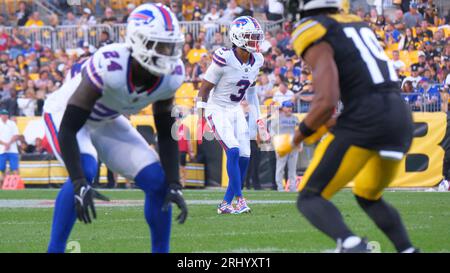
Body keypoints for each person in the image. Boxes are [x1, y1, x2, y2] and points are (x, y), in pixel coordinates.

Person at [42, 3, 188, 253]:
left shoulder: (171, 77)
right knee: (86, 169)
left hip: (105, 119)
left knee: (158, 182)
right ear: (137, 40)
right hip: (63, 114)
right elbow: (68, 127)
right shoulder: (111, 64)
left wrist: (174, 182)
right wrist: (78, 182)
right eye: (159, 45)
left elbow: (166, 132)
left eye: (170, 45)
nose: (167, 52)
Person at [276, 0, 418, 253]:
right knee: (367, 194)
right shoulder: (354, 21)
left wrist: (295, 139)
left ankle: (352, 246)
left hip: (366, 116)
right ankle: (407, 250)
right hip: (399, 115)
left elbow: (326, 101)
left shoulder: (314, 29)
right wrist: (329, 123)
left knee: (310, 196)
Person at [196, 16, 267, 214]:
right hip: (217, 108)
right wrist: (200, 119)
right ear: (239, 37)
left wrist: (259, 119)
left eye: (256, 36)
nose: (256, 40)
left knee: (245, 155)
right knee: (233, 151)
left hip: (235, 109)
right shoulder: (224, 57)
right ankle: (240, 199)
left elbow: (251, 93)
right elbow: (203, 90)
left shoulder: (257, 60)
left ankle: (225, 203)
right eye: (251, 36)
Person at [271, 101, 300, 192]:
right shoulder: (277, 119)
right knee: (280, 168)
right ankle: (280, 187)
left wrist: (300, 144)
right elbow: (272, 132)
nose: (289, 109)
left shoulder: (295, 119)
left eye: (290, 107)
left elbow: (299, 132)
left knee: (292, 169)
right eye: (287, 107)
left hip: (293, 146)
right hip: (282, 146)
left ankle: (293, 188)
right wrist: (275, 145)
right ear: (283, 108)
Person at [0, 109, 20, 187]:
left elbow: (16, 135)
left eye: (6, 114)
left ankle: (16, 184)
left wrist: (8, 144)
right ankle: (2, 185)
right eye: (3, 114)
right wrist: (5, 144)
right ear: (0, 115)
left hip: (12, 149)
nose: (5, 116)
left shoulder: (12, 123)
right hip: (1, 150)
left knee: (14, 167)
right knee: (1, 169)